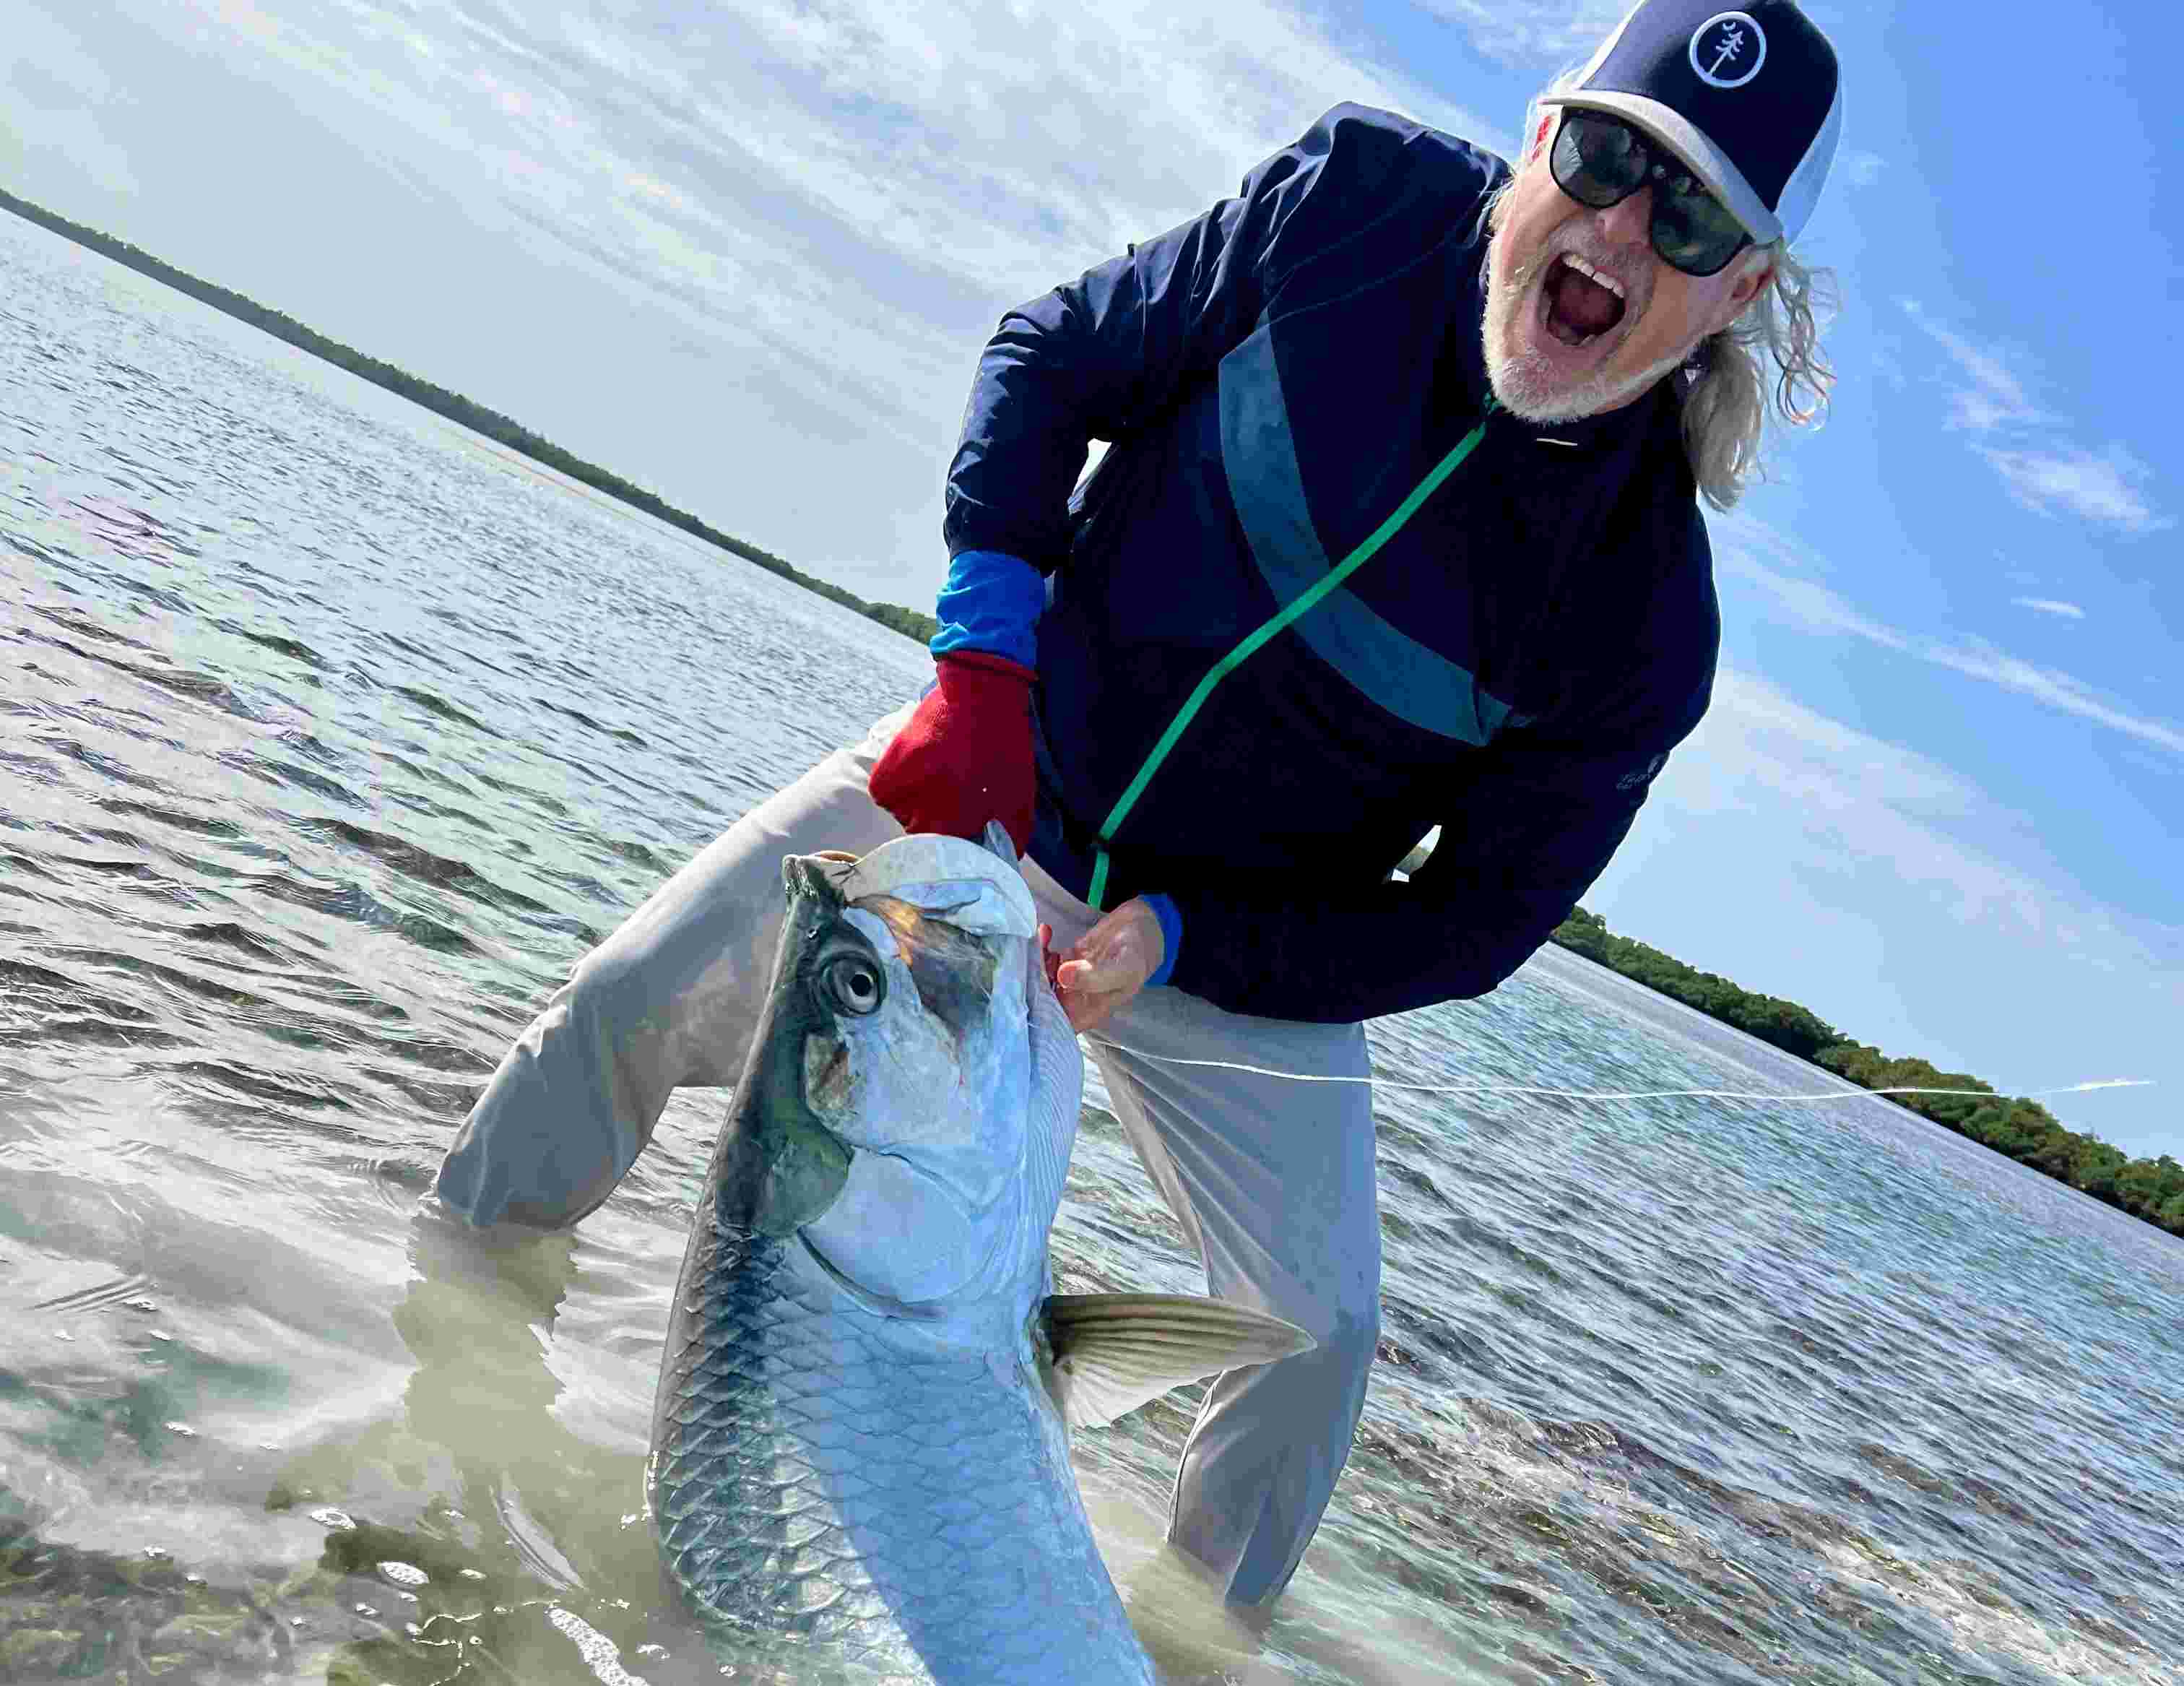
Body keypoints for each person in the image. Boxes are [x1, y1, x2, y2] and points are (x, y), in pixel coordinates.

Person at [433, 0, 1843, 1612]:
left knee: (1320, 1339)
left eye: (1691, 217)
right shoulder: (1351, 204)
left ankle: (1183, 1645)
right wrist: (981, 669)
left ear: (1741, 290)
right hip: (985, 799)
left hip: (1222, 955)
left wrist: (1186, 935)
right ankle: (435, 1356)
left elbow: (1475, 923)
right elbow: (1052, 359)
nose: (1618, 229)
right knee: (621, 1004)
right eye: (1606, 158)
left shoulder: (1646, 619)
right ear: (1538, 141)